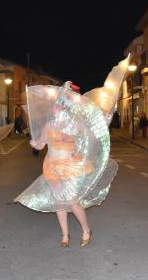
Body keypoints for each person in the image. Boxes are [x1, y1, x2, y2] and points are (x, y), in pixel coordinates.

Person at [16, 55, 129, 248]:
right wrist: (34, 141)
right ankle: (65, 235)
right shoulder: (48, 125)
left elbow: (93, 132)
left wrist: (106, 119)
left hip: (71, 166)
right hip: (51, 167)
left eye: (59, 104)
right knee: (60, 202)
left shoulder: (75, 123)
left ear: (65, 107)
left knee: (72, 200)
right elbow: (40, 146)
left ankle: (86, 229)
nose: (56, 107)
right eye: (55, 105)